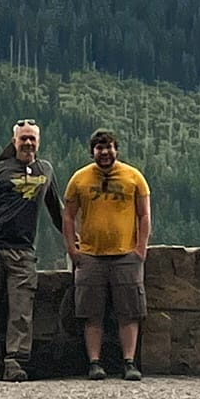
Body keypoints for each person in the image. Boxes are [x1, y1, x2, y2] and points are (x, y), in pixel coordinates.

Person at [0, 118, 63, 382]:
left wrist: (73, 240)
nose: (28, 143)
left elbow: (57, 210)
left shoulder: (46, 170)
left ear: (38, 142)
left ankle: (15, 362)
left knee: (21, 311)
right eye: (24, 138)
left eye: (32, 138)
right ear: (14, 142)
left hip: (23, 253)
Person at [61, 128, 151, 382]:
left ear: (116, 149)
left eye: (109, 147)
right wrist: (72, 248)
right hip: (90, 256)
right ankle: (94, 363)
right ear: (92, 152)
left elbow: (144, 214)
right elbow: (67, 215)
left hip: (126, 255)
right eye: (100, 148)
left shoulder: (134, 177)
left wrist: (140, 248)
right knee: (92, 313)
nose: (105, 152)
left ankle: (129, 362)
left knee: (129, 312)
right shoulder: (79, 179)